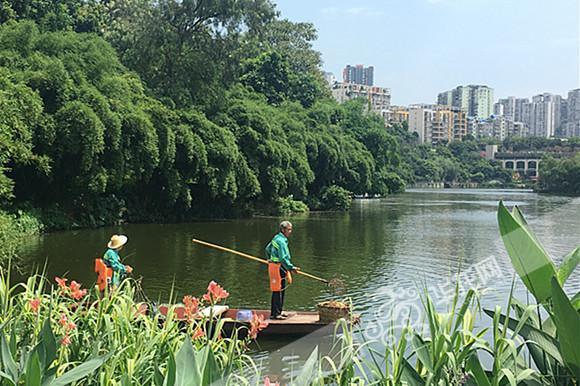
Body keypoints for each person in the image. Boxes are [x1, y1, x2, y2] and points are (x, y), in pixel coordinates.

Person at [265, 221, 300, 320]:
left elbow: (267, 249)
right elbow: (283, 257)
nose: (290, 231)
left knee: (280, 289)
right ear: (283, 230)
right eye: (289, 229)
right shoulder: (281, 241)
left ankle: (278, 311)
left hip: (276, 266)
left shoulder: (276, 238)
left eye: (290, 229)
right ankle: (275, 314)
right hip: (278, 267)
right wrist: (291, 267)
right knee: (277, 290)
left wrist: (269, 259)